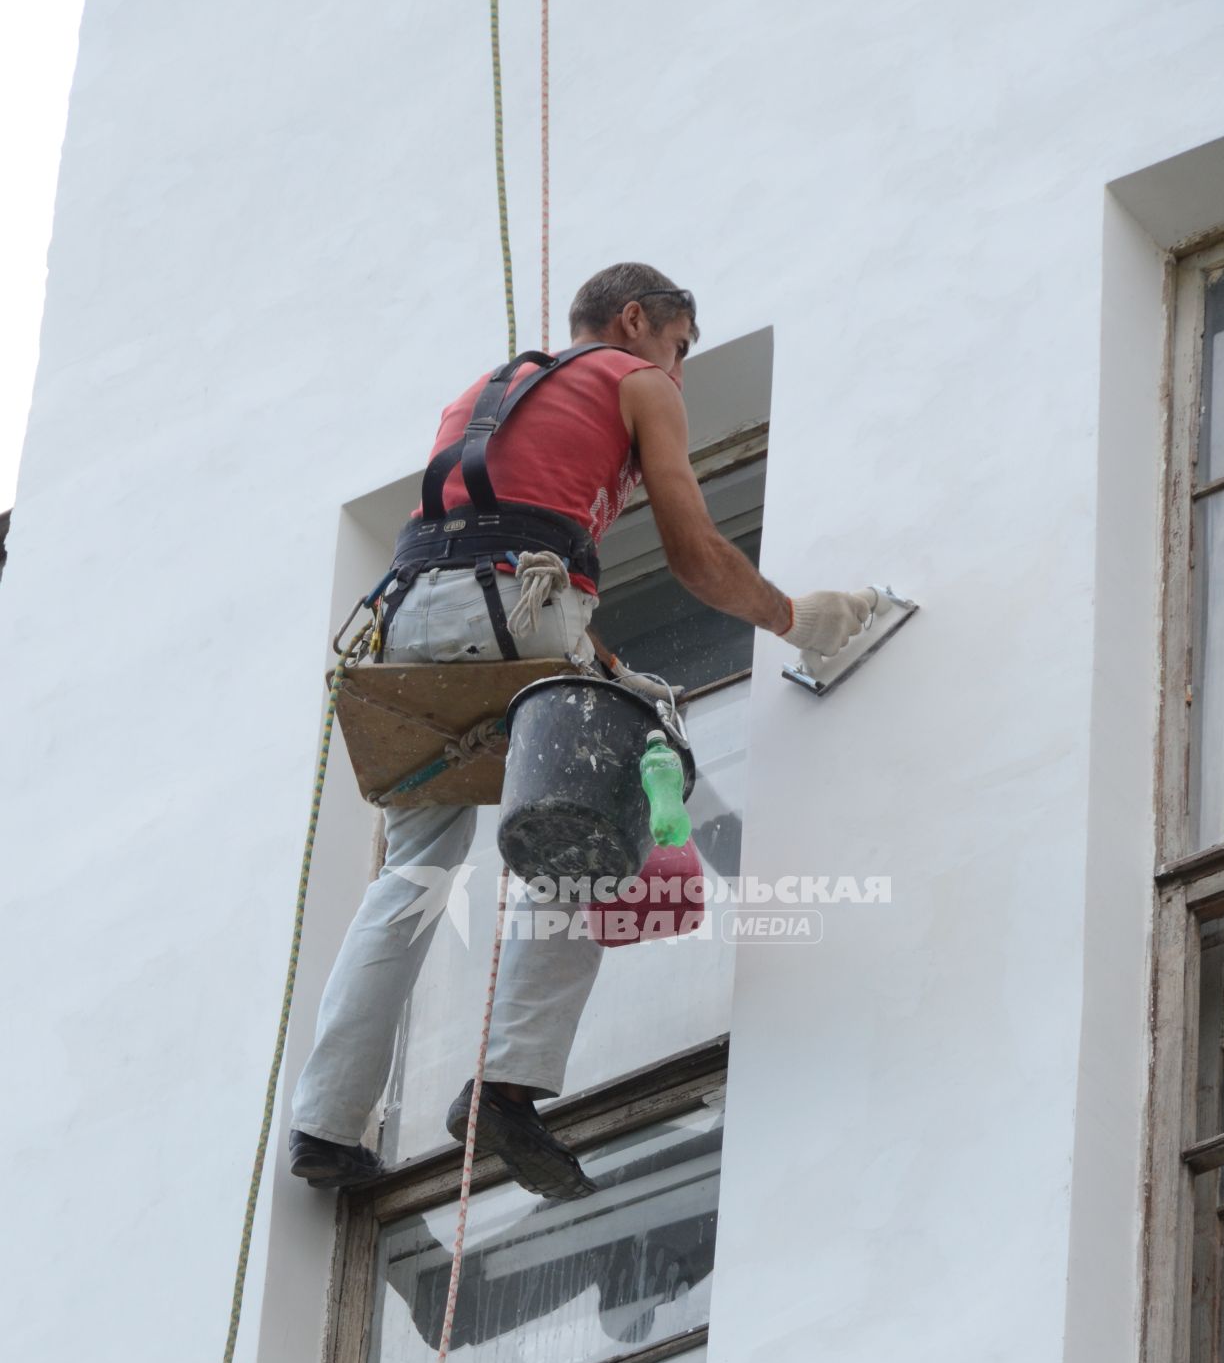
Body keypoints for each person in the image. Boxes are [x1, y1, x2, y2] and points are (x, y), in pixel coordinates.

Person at [289, 263, 875, 1199]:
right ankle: (508, 1088)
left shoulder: (483, 395)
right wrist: (792, 618)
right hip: (509, 603)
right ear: (637, 321)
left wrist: (592, 659)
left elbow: (504, 551)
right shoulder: (635, 383)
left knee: (412, 876)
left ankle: (322, 1124)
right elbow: (688, 554)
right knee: (586, 808)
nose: (678, 374)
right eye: (680, 348)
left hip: (404, 621)